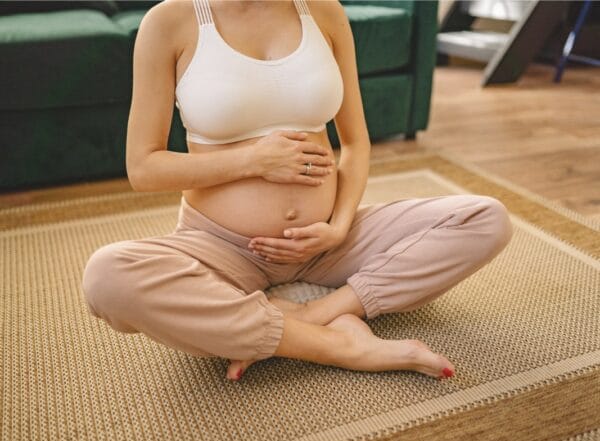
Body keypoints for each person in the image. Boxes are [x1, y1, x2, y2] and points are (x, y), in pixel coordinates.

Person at [82, 0, 513, 382]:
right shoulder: (171, 21)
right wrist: (253, 160)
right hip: (222, 248)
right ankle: (340, 346)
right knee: (108, 276)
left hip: (328, 243)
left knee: (486, 219)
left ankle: (309, 312)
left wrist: (340, 226)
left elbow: (357, 143)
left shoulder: (324, 11)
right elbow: (143, 168)